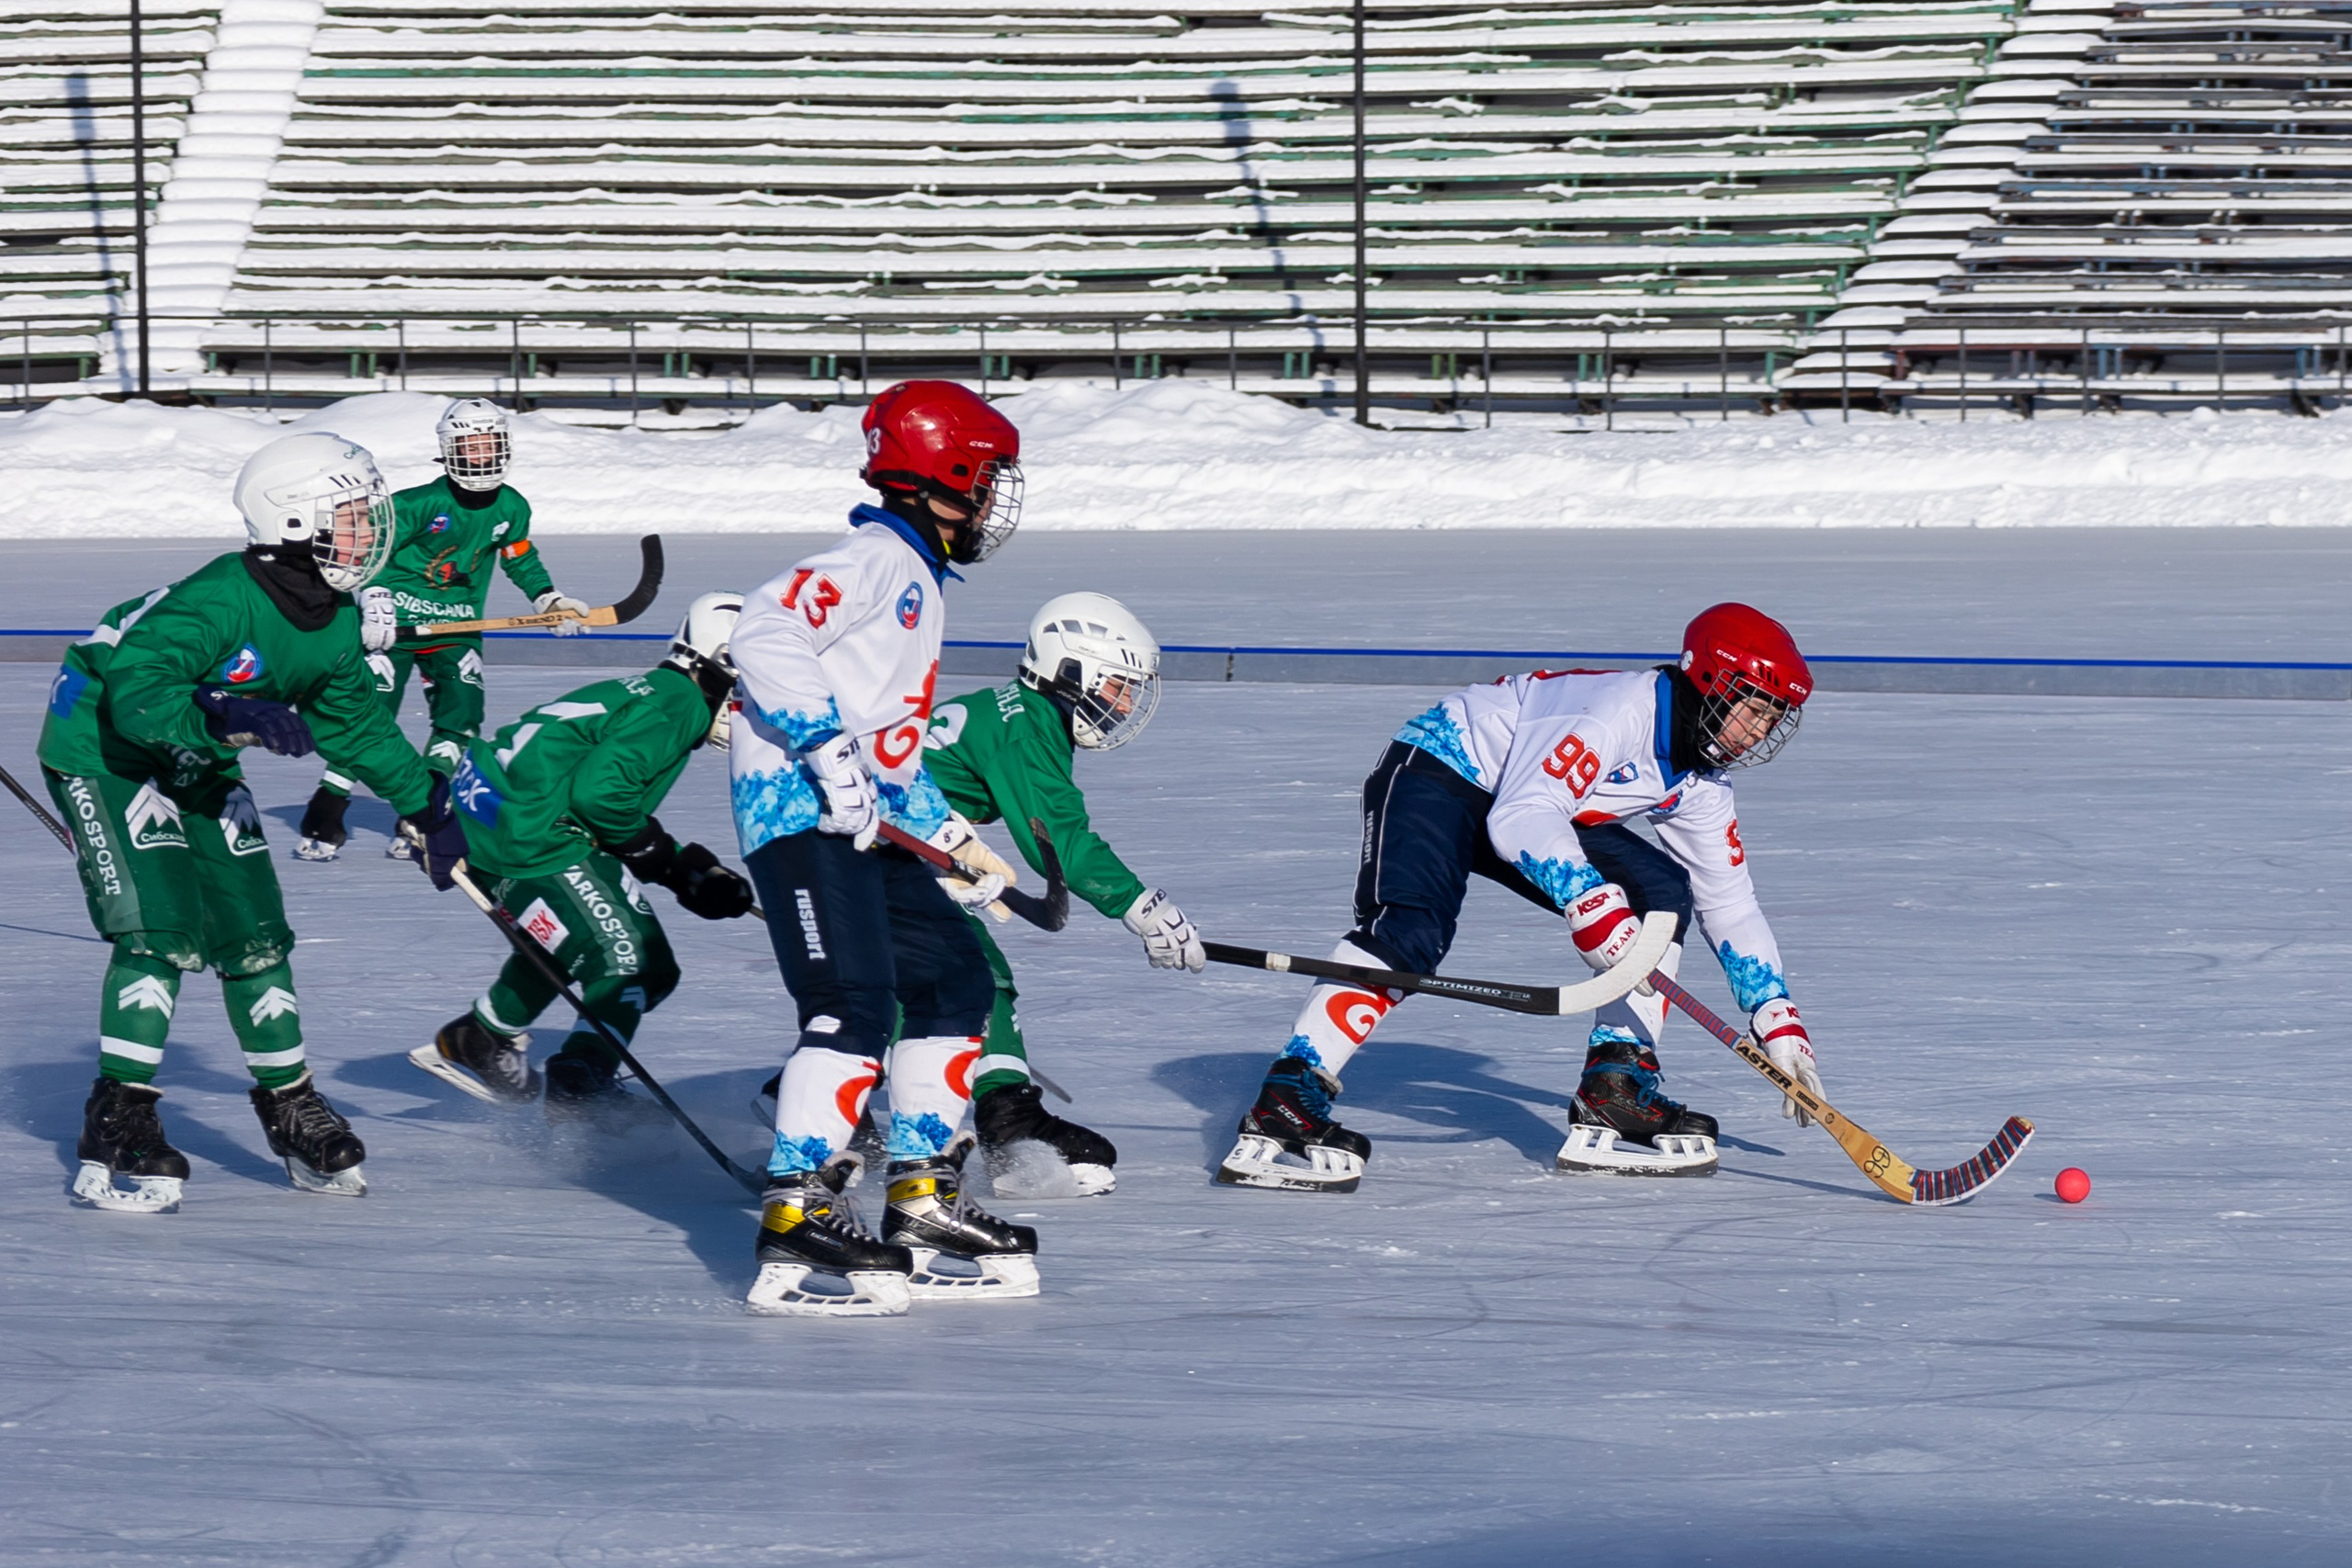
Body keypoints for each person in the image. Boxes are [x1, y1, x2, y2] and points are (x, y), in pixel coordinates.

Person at [1216, 603, 1824, 1193]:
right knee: (1411, 932)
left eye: (1774, 719)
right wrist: (1589, 901)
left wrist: (1778, 1017)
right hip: (1441, 769)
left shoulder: (1699, 783)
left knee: (1660, 893)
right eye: (1754, 709)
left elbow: (1730, 903)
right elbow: (1521, 815)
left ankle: (1616, 1085)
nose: (1760, 732)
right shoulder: (1619, 712)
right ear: (1711, 684)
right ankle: (1288, 1093)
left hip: (1530, 799)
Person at [38, 432, 469, 1213]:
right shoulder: (217, 599)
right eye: (354, 517)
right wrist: (227, 711)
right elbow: (137, 695)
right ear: (294, 522)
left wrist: (424, 804)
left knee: (255, 929)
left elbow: (358, 725)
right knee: (161, 926)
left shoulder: (332, 620)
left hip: (198, 751)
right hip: (105, 748)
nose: (372, 532)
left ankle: (290, 1103)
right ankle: (120, 1113)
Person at [730, 379, 1039, 1317]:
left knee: (955, 983)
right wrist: (824, 751)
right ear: (946, 473)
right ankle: (796, 1209)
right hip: (799, 812)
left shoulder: (916, 577)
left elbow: (889, 745)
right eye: (988, 478)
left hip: (870, 822)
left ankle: (920, 1199)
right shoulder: (874, 562)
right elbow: (763, 627)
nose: (994, 499)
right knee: (852, 1004)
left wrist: (957, 842)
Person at [410, 593, 756, 1122]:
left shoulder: (656, 690)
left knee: (574, 936)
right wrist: (661, 856)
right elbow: (600, 797)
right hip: (529, 837)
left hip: (489, 820)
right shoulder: (679, 704)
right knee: (636, 962)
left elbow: (596, 795)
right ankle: (581, 1082)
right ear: (726, 661)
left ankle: (481, 1036)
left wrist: (686, 868)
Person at [915, 591, 1204, 1196]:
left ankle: (826, 1101)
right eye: (1118, 685)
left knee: (930, 975)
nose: (1124, 703)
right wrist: (1142, 906)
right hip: (887, 847)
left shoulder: (1017, 711)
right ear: (1072, 672)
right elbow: (1060, 842)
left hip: (892, 842)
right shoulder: (1031, 723)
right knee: (973, 972)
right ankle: (1010, 1124)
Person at [294, 399, 594, 861]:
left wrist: (546, 598)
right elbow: (362, 546)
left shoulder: (512, 507)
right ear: (449, 451)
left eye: (488, 445)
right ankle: (328, 805)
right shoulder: (418, 503)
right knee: (371, 716)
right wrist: (372, 596)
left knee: (462, 717)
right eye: (469, 447)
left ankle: (421, 810)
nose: (480, 457)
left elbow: (520, 558)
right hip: (394, 625)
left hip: (458, 627)